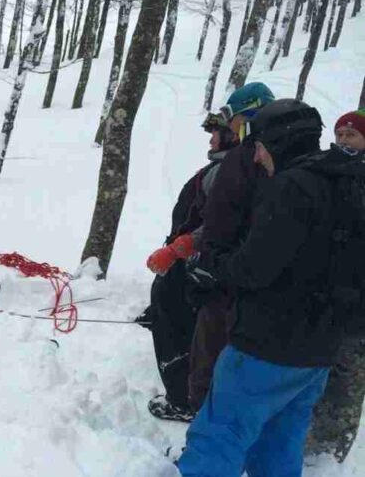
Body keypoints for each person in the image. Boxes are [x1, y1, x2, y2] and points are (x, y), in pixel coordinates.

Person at [177, 99, 341, 476]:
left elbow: (253, 268)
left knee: (219, 434)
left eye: (261, 146)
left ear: (280, 142)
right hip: (318, 350)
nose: (257, 157)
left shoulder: (290, 187)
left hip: (266, 342)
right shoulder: (342, 181)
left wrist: (213, 264)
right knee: (280, 441)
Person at [185, 82, 275, 412]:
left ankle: (204, 435)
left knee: (213, 359)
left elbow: (221, 221)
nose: (230, 131)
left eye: (235, 122)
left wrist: (207, 261)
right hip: (252, 280)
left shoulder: (242, 163)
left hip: (230, 278)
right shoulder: (284, 160)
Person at [142, 113, 236, 422]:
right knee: (178, 319)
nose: (211, 139)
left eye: (216, 133)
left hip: (195, 264)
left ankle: (181, 400)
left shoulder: (231, 170)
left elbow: (216, 224)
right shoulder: (226, 167)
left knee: (178, 327)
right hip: (193, 263)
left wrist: (177, 250)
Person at [305, 110, 365, 462]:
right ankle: (307, 441)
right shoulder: (328, 170)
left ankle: (329, 454)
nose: (344, 140)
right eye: (340, 134)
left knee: (348, 377)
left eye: (352, 135)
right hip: (325, 294)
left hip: (358, 303)